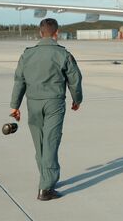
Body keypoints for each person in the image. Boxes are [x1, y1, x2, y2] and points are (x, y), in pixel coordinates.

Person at [10, 18, 83, 201]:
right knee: (51, 141)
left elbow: (19, 80)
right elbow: (74, 78)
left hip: (32, 103)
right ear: (56, 33)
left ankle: (46, 177)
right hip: (53, 103)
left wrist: (15, 106)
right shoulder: (62, 54)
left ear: (40, 33)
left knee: (40, 143)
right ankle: (46, 189)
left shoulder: (27, 54)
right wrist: (77, 99)